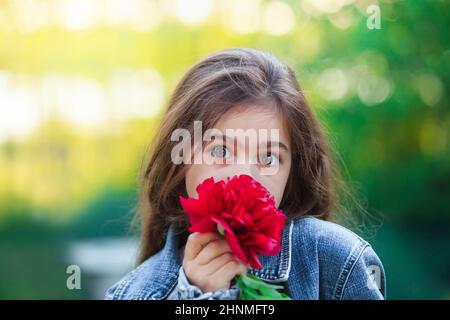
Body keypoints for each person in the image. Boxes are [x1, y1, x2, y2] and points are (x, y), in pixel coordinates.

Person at [105, 48, 386, 300]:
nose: (244, 177)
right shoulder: (133, 294)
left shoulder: (336, 260)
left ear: (293, 173)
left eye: (268, 157)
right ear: (181, 159)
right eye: (220, 151)